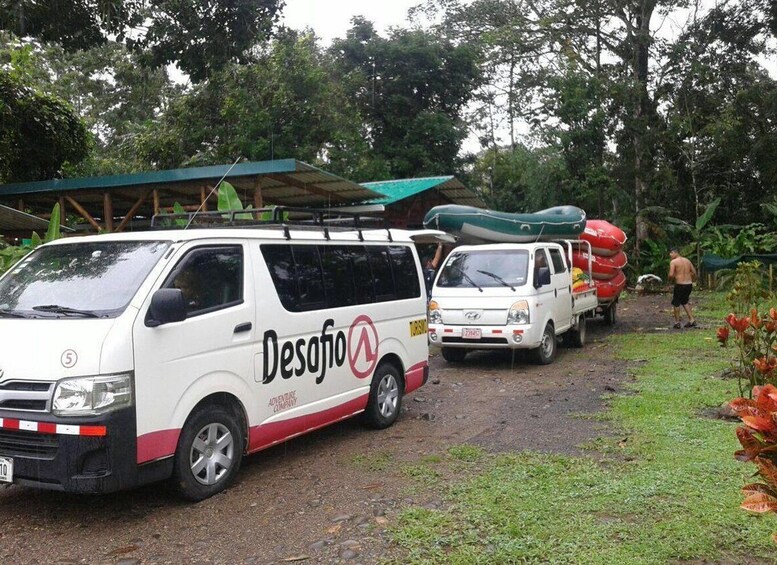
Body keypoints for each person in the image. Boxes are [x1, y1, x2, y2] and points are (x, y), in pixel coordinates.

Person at [668, 247, 697, 328]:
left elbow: (670, 274)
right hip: (689, 284)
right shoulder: (687, 260)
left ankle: (677, 322)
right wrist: (692, 279)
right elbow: (694, 272)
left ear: (674, 253)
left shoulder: (673, 262)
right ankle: (692, 320)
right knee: (685, 301)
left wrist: (670, 279)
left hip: (680, 284)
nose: (670, 255)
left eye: (671, 253)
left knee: (676, 303)